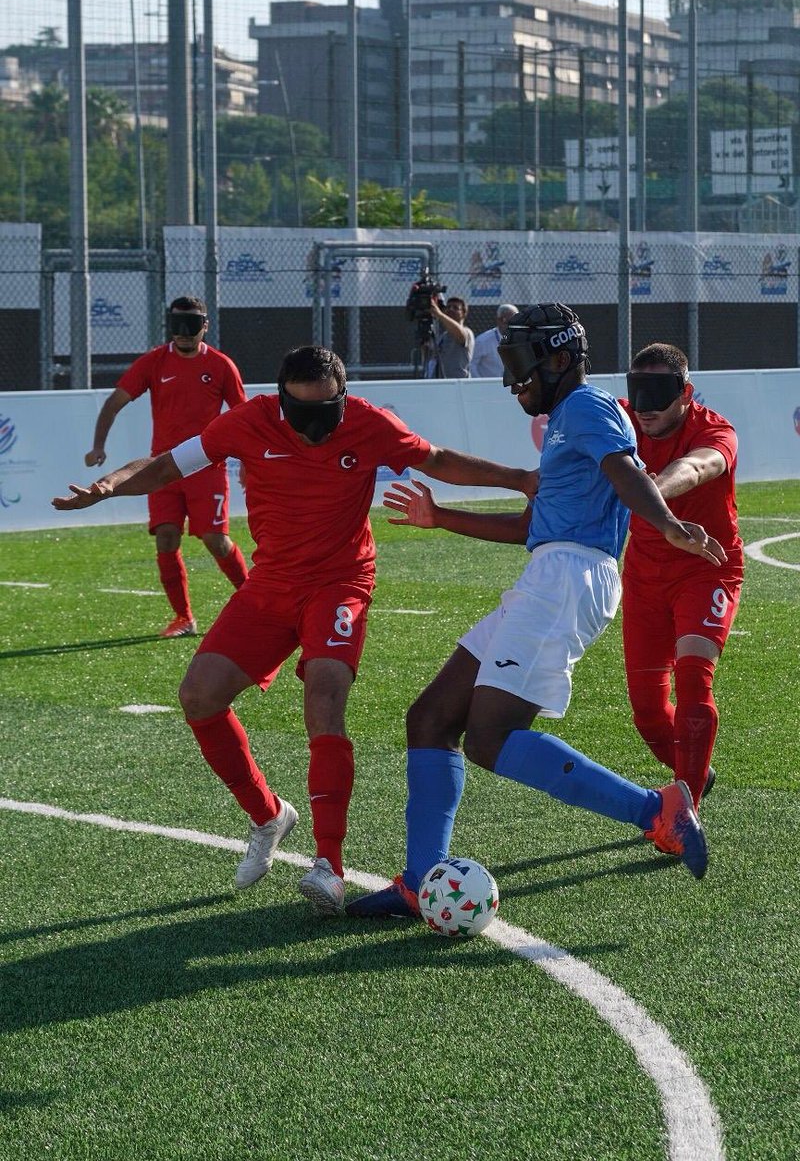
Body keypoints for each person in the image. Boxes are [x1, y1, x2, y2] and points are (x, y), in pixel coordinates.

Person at [53, 345, 539, 916]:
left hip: (340, 583)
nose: (313, 427)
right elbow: (167, 464)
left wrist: (520, 478)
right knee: (199, 697)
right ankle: (268, 815)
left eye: (325, 413)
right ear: (280, 398)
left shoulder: (369, 424)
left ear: (344, 396)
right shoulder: (248, 421)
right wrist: (110, 484)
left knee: (325, 697)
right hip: (272, 584)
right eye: (301, 413)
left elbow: (438, 460)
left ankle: (328, 866)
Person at [346, 304, 726, 921]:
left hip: (570, 580)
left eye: (519, 363)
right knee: (431, 718)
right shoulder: (564, 422)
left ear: (560, 358)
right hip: (550, 574)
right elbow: (531, 526)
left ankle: (656, 811)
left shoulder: (587, 407)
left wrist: (668, 524)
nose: (509, 379)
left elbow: (626, 472)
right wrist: (441, 517)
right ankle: (420, 880)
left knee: (490, 738)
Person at [621, 343, 744, 814]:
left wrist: (650, 494)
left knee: (694, 677)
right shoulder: (622, 421)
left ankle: (684, 812)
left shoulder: (716, 430)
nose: (646, 407)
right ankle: (695, 774)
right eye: (638, 393)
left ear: (686, 393)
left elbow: (697, 467)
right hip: (643, 574)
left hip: (706, 565)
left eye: (659, 393)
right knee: (649, 714)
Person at [85, 295, 249, 638]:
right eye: (177, 326)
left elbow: (243, 417)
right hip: (162, 470)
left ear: (205, 326)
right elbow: (114, 403)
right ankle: (184, 618)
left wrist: (249, 461)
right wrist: (99, 445)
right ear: (169, 327)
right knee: (166, 537)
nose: (184, 333)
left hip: (207, 466)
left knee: (215, 539)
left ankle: (256, 604)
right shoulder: (154, 363)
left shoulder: (221, 366)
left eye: (192, 326)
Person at [423, 295, 474, 379]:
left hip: (459, 384)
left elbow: (460, 335)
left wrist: (439, 314)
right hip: (442, 383)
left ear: (464, 313)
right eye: (448, 307)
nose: (451, 309)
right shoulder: (443, 336)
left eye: (455, 308)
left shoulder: (467, 332)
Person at [470, 303, 519, 378]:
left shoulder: (521, 339)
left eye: (513, 320)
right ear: (498, 320)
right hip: (488, 386)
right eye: (505, 320)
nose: (510, 324)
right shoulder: (483, 340)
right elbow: (472, 364)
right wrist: (480, 384)